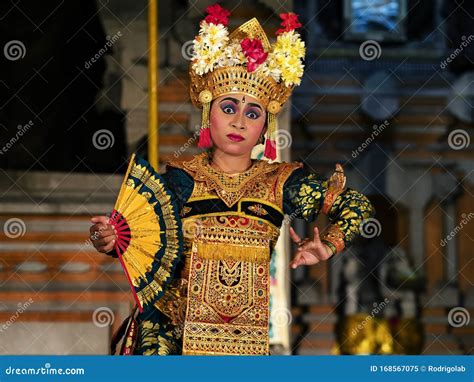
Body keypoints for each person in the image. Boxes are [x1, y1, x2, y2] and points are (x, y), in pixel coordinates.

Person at [89, 4, 374, 355]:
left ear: (265, 125)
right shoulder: (180, 182)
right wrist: (106, 238)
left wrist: (329, 244)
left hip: (247, 346)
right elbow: (133, 238)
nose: (239, 121)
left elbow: (355, 203)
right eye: (228, 108)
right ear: (208, 112)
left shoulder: (282, 183)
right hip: (173, 340)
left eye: (252, 112)